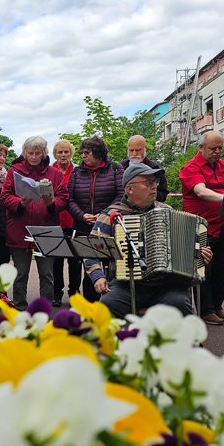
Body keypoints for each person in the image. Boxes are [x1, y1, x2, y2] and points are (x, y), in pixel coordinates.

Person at [84, 163, 212, 318]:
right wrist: (98, 276)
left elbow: (188, 248)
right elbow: (91, 251)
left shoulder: (167, 212)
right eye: (147, 182)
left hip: (168, 286)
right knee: (107, 304)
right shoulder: (111, 215)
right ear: (129, 189)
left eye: (155, 182)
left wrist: (201, 255)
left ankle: (184, 342)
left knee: (179, 304)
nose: (154, 187)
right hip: (126, 285)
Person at [1, 135, 69, 310]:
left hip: (46, 228)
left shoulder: (54, 173)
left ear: (43, 153)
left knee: (47, 273)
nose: (33, 157)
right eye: (30, 153)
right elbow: (5, 196)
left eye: (37, 153)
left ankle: (44, 308)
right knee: (20, 273)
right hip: (19, 228)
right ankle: (20, 306)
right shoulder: (14, 171)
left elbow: (64, 198)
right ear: (24, 152)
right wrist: (19, 203)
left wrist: (51, 204)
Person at [180, 131, 224, 326]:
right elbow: (201, 191)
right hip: (200, 228)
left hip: (219, 226)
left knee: (222, 269)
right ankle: (206, 310)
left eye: (220, 147)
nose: (218, 151)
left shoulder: (221, 165)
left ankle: (218, 306)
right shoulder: (190, 168)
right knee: (205, 270)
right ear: (201, 148)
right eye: (213, 148)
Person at [65, 135, 124, 303]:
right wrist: (81, 215)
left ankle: (112, 306)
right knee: (89, 267)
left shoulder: (115, 168)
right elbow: (69, 199)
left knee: (110, 268)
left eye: (87, 152)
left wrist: (104, 214)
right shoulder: (77, 171)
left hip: (108, 226)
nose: (83, 156)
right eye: (82, 152)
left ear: (98, 153)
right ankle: (90, 308)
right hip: (83, 226)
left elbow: (122, 194)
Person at [51, 138, 76, 307]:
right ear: (55, 154)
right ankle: (57, 293)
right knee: (56, 260)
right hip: (55, 220)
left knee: (75, 260)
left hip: (74, 221)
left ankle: (74, 293)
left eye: (66, 151)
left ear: (71, 153)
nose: (63, 155)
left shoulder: (77, 171)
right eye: (60, 152)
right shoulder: (49, 171)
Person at [120, 135, 169, 202]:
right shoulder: (119, 167)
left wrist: (146, 192)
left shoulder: (155, 168)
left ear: (145, 149)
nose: (134, 154)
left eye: (137, 150)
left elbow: (163, 194)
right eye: (131, 150)